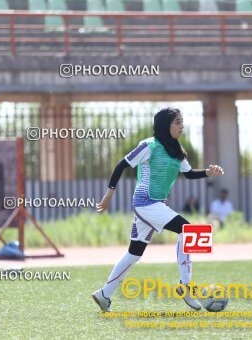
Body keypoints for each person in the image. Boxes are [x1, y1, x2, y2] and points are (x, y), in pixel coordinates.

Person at [92, 107, 224, 312]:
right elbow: (121, 165)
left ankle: (104, 294)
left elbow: (188, 174)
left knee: (134, 253)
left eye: (182, 121)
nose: (182, 126)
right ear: (166, 125)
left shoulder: (177, 150)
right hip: (145, 203)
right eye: (177, 122)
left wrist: (208, 172)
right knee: (188, 230)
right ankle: (186, 286)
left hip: (155, 205)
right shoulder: (149, 145)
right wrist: (108, 195)